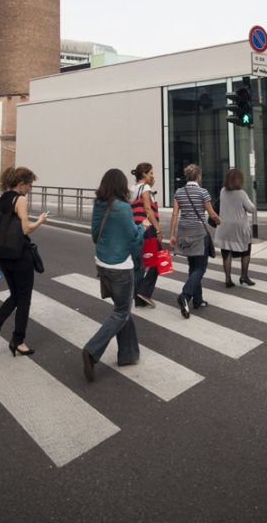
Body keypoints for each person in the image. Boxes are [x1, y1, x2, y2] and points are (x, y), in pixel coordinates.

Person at [82, 168, 149, 381]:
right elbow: (133, 238)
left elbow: (94, 235)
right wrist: (143, 226)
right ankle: (92, 350)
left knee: (122, 308)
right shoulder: (123, 208)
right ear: (121, 186)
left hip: (101, 263)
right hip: (120, 266)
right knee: (121, 312)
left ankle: (128, 354)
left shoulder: (99, 204)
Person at [0, 166, 48, 357]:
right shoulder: (20, 199)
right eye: (29, 185)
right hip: (20, 257)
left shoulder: (0, 201)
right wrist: (40, 221)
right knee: (23, 299)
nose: (30, 189)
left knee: (15, 297)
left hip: (4, 257)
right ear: (21, 184)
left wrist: (0, 253)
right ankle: (18, 341)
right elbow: (26, 229)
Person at [169, 164, 221, 317]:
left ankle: (198, 301)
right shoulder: (203, 192)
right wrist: (220, 221)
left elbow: (174, 214)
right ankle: (185, 295)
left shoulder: (179, 192)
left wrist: (172, 235)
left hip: (184, 231)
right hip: (199, 232)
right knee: (201, 267)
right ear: (198, 176)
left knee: (193, 266)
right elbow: (211, 214)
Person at [215, 168, 256, 286]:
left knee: (226, 253)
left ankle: (228, 279)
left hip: (224, 226)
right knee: (246, 252)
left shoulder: (223, 191)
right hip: (239, 228)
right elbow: (251, 209)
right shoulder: (242, 194)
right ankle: (244, 276)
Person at [130, 162, 163, 309]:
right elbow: (148, 210)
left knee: (140, 265)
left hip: (136, 229)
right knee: (156, 261)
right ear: (144, 173)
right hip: (148, 229)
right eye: (151, 173)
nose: (153, 175)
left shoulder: (132, 189)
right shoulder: (146, 188)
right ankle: (144, 292)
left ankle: (138, 298)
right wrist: (158, 229)